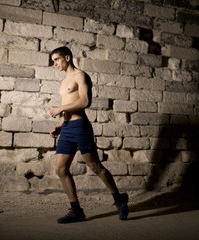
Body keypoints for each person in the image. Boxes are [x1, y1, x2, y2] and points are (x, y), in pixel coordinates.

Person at [49, 46, 129, 223]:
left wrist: (60, 108)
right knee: (61, 169)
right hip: (67, 127)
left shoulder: (81, 76)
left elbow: (85, 101)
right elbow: (69, 104)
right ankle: (76, 210)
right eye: (53, 60)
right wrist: (60, 125)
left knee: (95, 166)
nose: (54, 63)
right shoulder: (64, 81)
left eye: (57, 59)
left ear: (67, 58)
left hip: (80, 126)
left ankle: (119, 199)